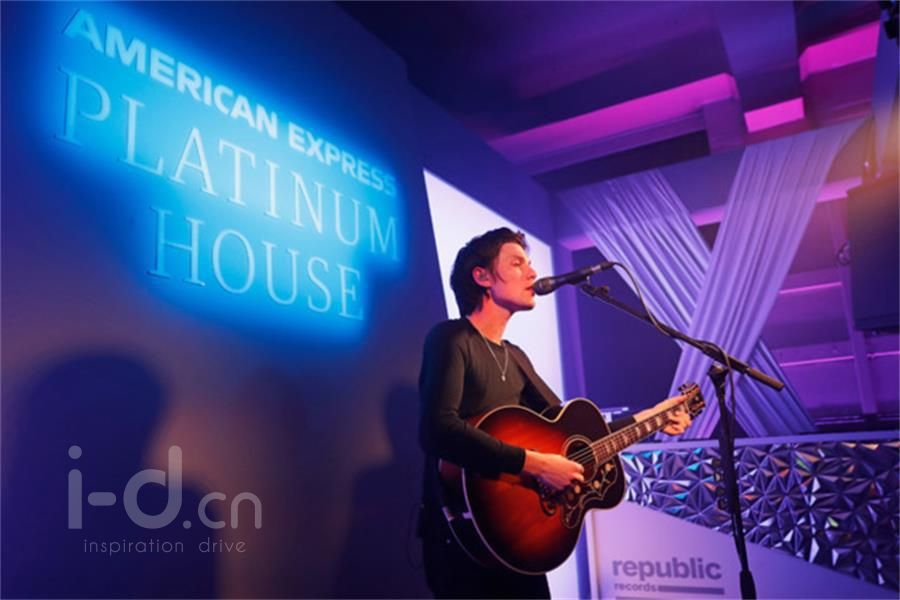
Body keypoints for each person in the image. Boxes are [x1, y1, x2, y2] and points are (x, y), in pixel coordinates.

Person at [418, 228, 692, 599]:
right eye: (517, 263)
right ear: (482, 277)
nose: (532, 272)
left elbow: (575, 440)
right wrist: (536, 464)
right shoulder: (452, 338)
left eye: (530, 263)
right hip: (464, 540)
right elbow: (438, 429)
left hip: (522, 539)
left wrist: (653, 417)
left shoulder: (516, 357)